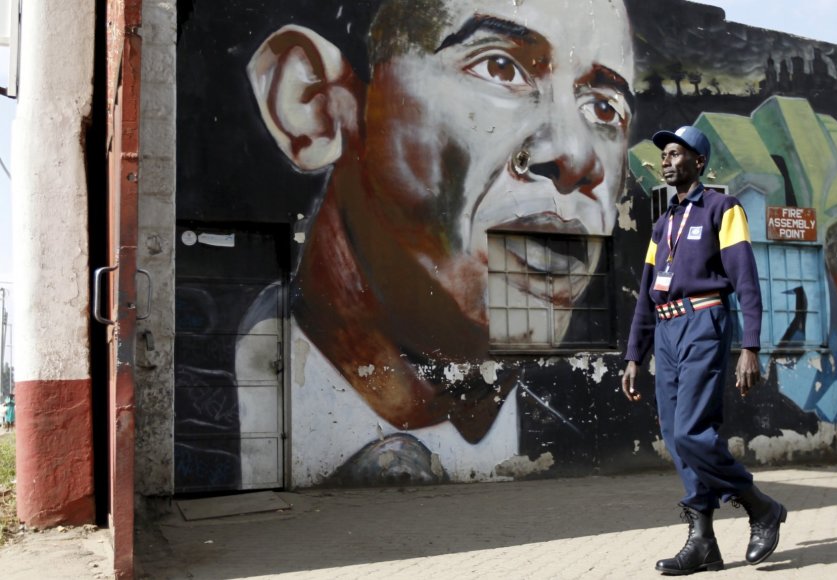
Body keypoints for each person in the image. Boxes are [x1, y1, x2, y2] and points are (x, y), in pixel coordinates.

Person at [244, 0, 636, 480]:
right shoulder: (204, 428)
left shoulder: (578, 446)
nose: (577, 155)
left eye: (604, 107)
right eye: (500, 67)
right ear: (315, 105)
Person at [621, 126, 787, 574]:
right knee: (677, 438)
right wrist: (635, 356)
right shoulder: (663, 224)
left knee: (694, 431)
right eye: (665, 155)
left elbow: (746, 282)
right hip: (667, 329)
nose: (667, 161)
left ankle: (760, 507)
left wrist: (749, 346)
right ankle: (703, 543)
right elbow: (644, 296)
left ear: (699, 162)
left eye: (676, 153)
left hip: (705, 321)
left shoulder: (722, 208)